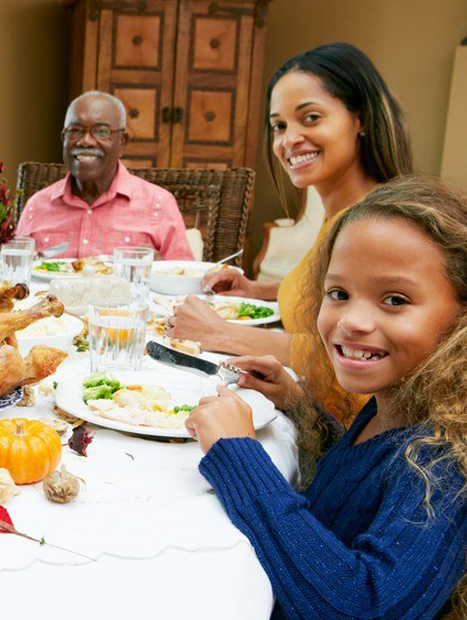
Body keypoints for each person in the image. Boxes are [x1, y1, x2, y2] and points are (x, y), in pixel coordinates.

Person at [185, 176, 467, 619]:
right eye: (339, 293)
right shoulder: (395, 402)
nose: (352, 320)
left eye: (394, 299)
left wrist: (238, 455)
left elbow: (365, 608)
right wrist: (298, 406)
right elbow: (354, 491)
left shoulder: (446, 465)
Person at [170, 42, 412, 422]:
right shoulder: (343, 215)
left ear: (359, 119)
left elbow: (354, 350)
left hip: (347, 434)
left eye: (311, 118)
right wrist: (258, 290)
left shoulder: (373, 226)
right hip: (307, 406)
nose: (288, 139)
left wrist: (220, 333)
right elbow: (327, 295)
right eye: (279, 126)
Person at [14, 91, 193, 260]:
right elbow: (13, 277)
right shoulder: (37, 206)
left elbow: (184, 279)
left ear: (122, 142)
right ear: (63, 138)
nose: (85, 141)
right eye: (75, 130)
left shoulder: (159, 204)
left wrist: (158, 270)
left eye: (101, 131)